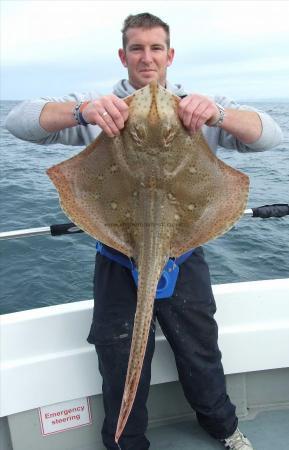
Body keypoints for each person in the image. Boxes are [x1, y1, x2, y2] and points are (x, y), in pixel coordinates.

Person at [5, 12, 283, 450]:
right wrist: (83, 111)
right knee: (119, 356)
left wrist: (219, 114)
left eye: (156, 48)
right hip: (118, 255)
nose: (147, 58)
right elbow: (19, 121)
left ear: (170, 55)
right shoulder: (102, 108)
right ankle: (125, 443)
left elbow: (270, 136)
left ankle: (225, 429)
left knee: (199, 348)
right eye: (137, 48)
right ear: (124, 56)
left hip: (184, 253)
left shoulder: (197, 107)